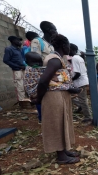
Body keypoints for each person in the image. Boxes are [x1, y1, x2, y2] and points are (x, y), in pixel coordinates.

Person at [35, 33, 80, 164]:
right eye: (68, 45)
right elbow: (43, 81)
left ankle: (64, 150)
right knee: (56, 124)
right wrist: (39, 98)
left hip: (60, 95)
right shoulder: (54, 60)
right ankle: (61, 156)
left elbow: (58, 80)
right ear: (63, 45)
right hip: (54, 97)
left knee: (63, 122)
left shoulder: (58, 59)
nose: (69, 48)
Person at [69, 43, 91, 123]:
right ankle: (80, 107)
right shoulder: (79, 58)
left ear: (71, 49)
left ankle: (88, 117)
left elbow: (77, 73)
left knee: (82, 99)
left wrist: (71, 80)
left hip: (80, 82)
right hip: (83, 80)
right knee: (77, 97)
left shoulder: (74, 58)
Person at [3, 36, 27, 106]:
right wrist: (18, 66)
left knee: (25, 85)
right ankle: (22, 102)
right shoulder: (9, 49)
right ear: (13, 41)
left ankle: (26, 101)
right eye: (18, 40)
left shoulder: (19, 49)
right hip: (17, 70)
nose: (20, 42)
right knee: (20, 87)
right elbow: (6, 60)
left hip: (23, 69)